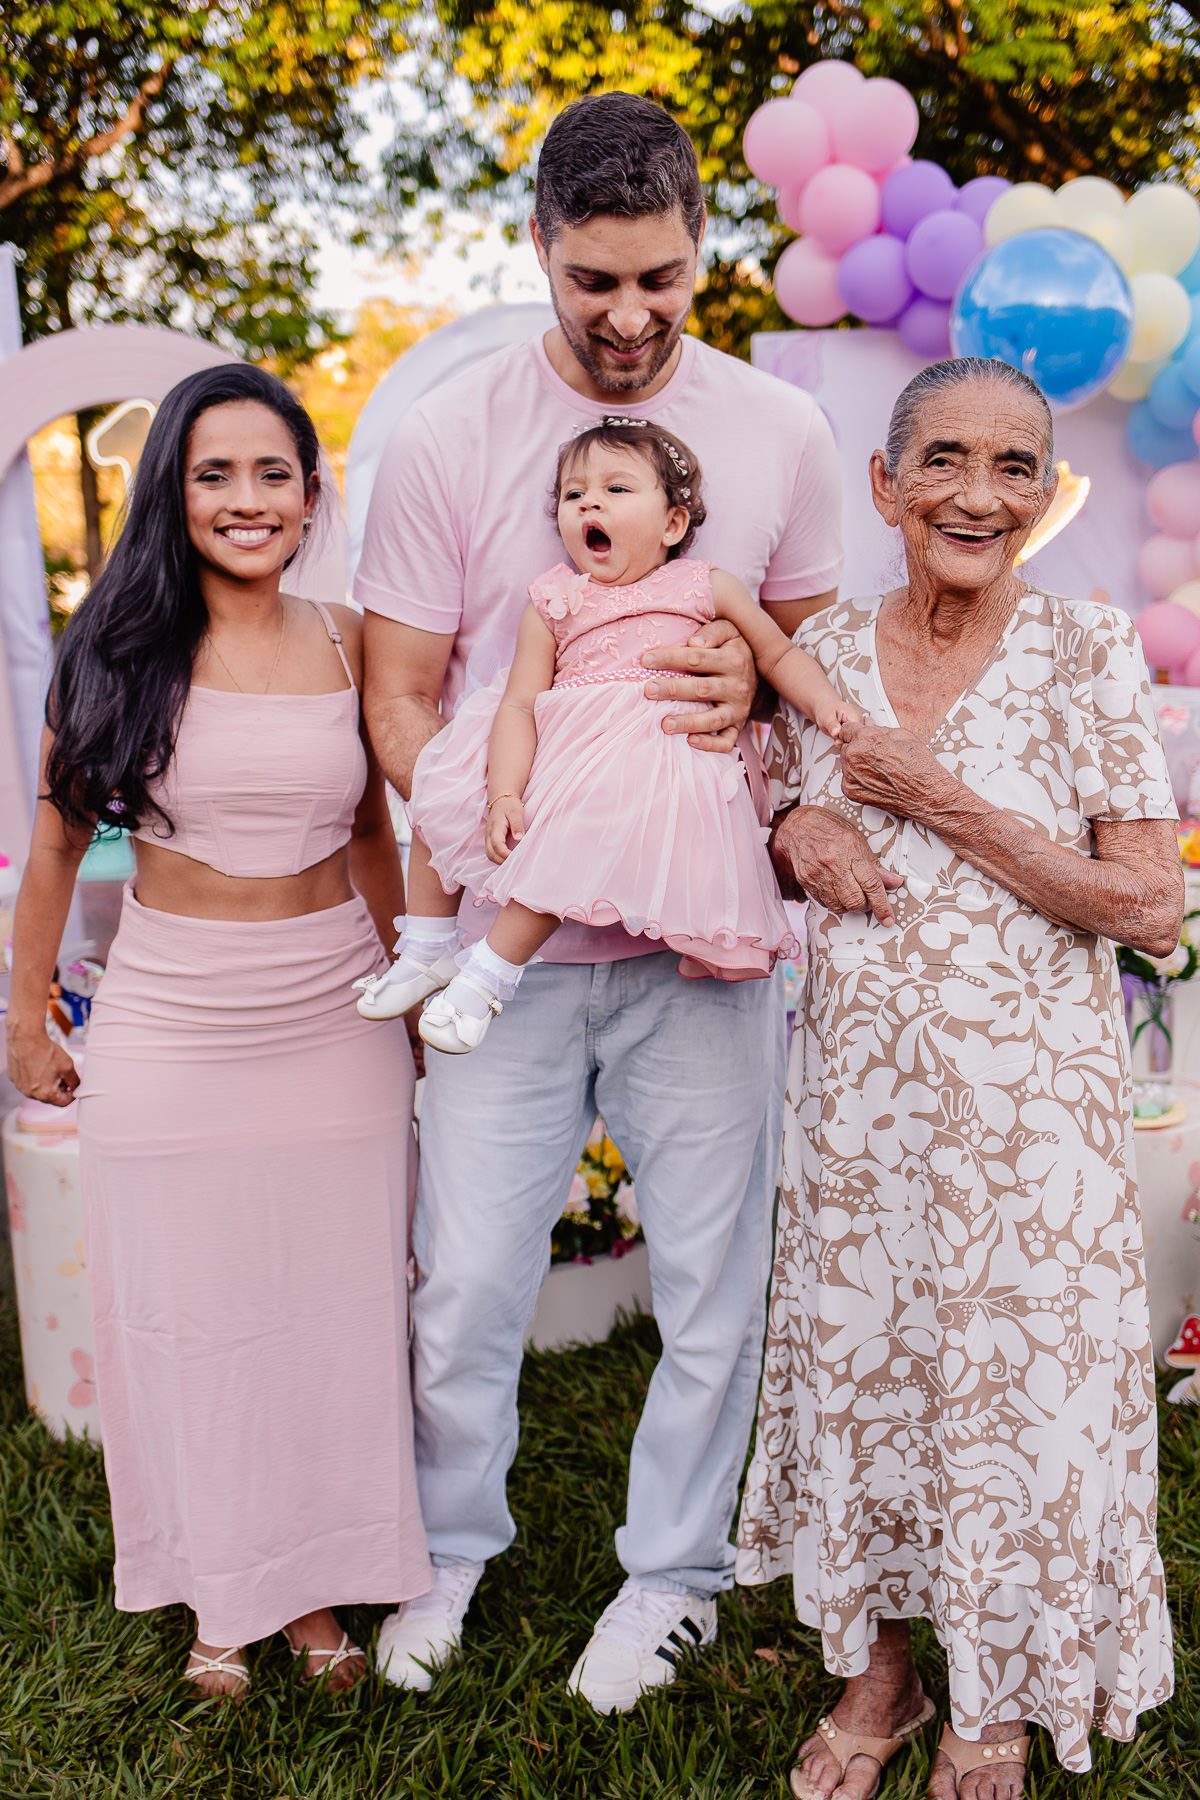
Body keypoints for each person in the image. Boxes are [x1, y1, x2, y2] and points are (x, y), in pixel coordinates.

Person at [356, 91, 842, 1710]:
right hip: (517, 941)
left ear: (709, 251)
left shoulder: (780, 433)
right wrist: (480, 868)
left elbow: (818, 670)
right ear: (542, 254)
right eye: (595, 283)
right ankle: (445, 1545)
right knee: (470, 1271)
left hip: (705, 954)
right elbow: (402, 690)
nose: (632, 318)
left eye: (664, 281)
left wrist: (747, 711)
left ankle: (672, 1580)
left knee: (713, 1279)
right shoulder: (446, 437)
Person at [736, 357, 1179, 1799]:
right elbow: (791, 811)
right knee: (874, 1374)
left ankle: (999, 1691)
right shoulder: (828, 652)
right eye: (942, 460)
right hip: (862, 1116)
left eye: (1011, 469)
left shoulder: (1089, 650)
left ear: (1046, 499)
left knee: (1017, 1396)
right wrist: (800, 833)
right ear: (884, 484)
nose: (975, 494)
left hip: (1030, 1131)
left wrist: (943, 802)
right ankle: (885, 1669)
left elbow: (1149, 907)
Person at [6, 366, 431, 1697]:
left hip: (331, 1012)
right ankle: (218, 1598)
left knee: (332, 1309)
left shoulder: (353, 637)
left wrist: (412, 989)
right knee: (192, 1314)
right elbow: (57, 847)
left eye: (272, 474)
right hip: (174, 1016)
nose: (247, 499)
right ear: (172, 495)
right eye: (215, 474)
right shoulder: (116, 653)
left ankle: (314, 1595)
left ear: (311, 495)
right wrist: (24, 1016)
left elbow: (373, 831)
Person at [355, 419, 858, 1048]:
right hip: (561, 746)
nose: (590, 503)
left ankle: (488, 976)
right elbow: (518, 705)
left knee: (575, 831)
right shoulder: (554, 601)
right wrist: (503, 793)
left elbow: (779, 657)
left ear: (673, 524)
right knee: (447, 776)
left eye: (617, 489)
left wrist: (829, 706)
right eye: (574, 494)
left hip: (648, 759)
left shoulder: (704, 585)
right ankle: (427, 944)